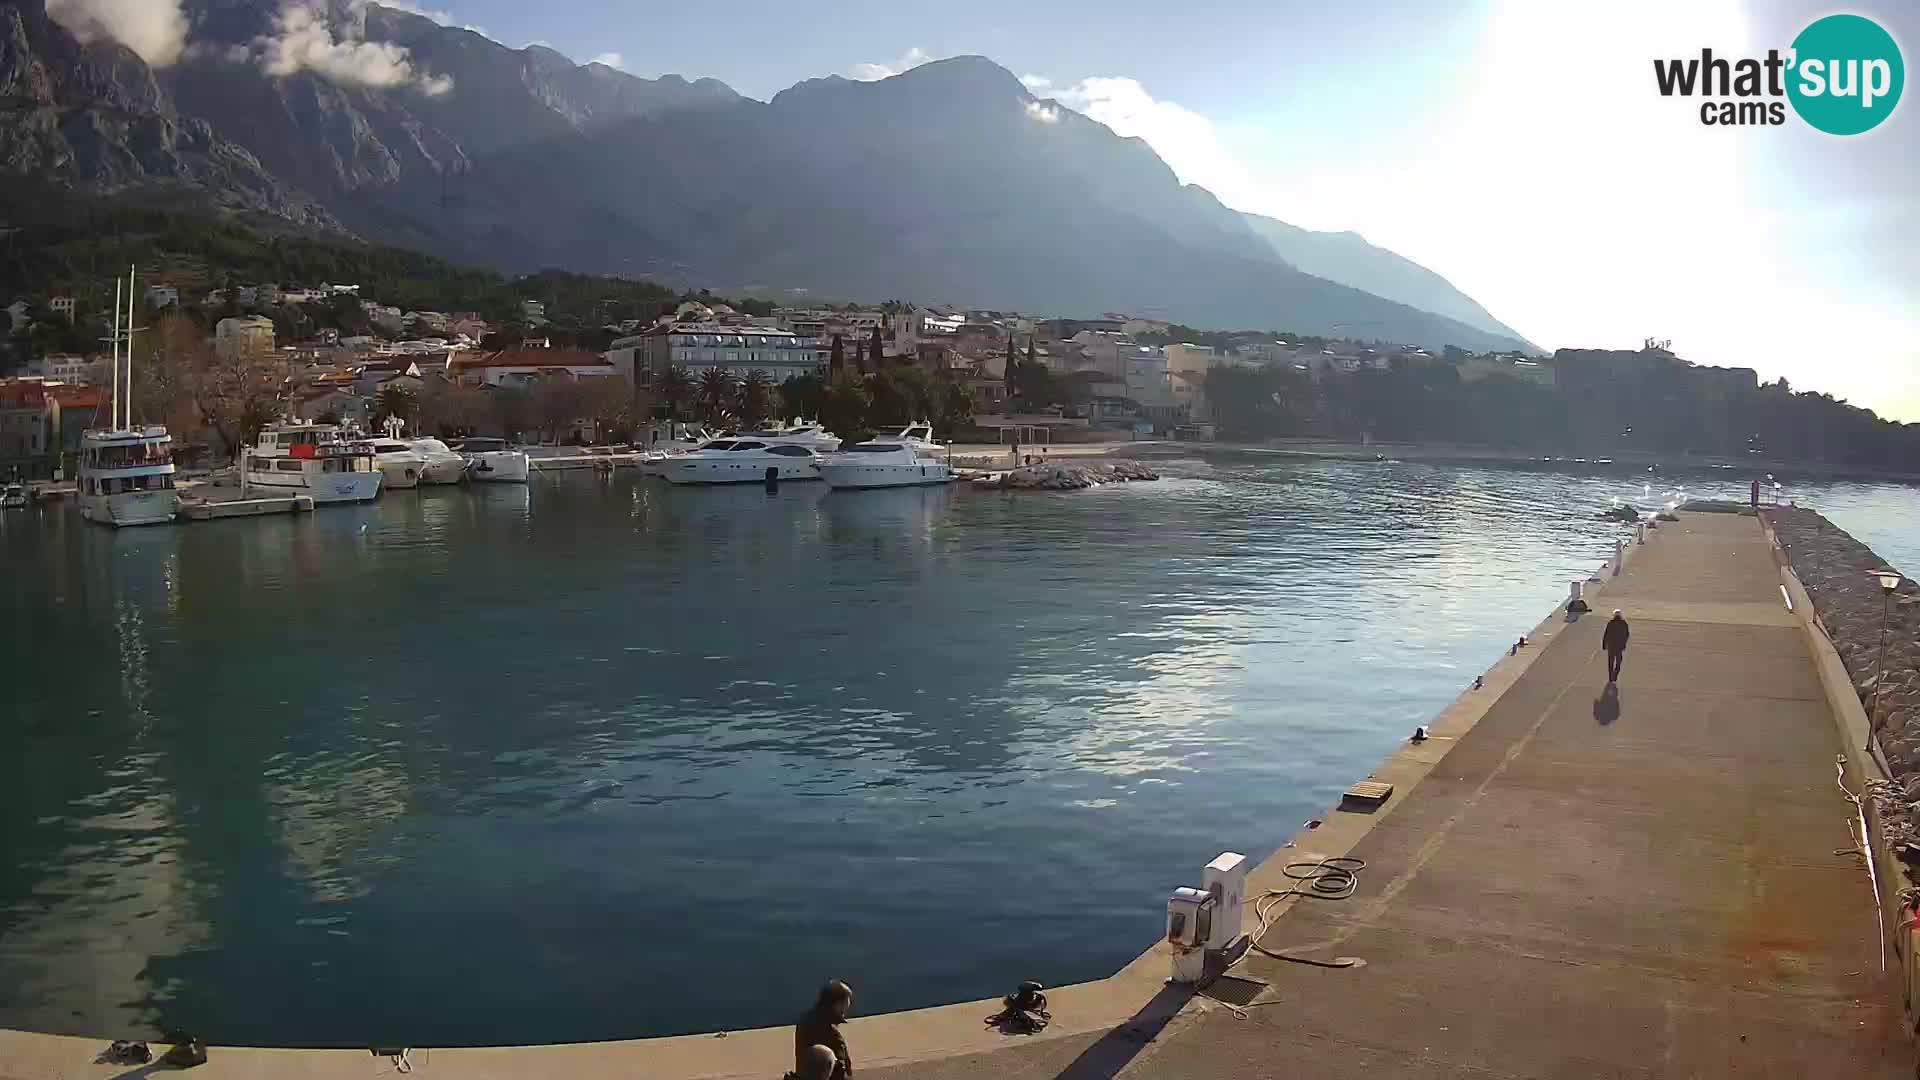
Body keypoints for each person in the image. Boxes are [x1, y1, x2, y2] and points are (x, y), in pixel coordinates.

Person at [794, 980, 853, 1079]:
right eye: (844, 1004)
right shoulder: (830, 1032)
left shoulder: (805, 1022)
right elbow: (840, 1070)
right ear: (837, 1003)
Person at [1602, 609, 1630, 682]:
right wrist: (1624, 644)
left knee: (1610, 661)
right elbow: (1627, 635)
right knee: (1618, 661)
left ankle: (1611, 677)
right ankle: (1615, 674)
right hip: (1619, 646)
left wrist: (1604, 644)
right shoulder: (1624, 623)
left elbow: (1606, 634)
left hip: (1611, 645)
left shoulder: (1611, 623)